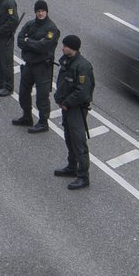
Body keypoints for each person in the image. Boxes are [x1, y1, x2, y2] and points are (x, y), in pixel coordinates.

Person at [52, 35, 95, 190]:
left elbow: (83, 92)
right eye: (63, 45)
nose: (63, 48)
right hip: (66, 107)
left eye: (66, 46)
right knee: (69, 138)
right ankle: (72, 167)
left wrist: (67, 102)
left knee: (78, 142)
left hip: (76, 109)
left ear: (74, 48)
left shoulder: (83, 66)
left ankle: (83, 177)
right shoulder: (66, 60)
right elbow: (62, 82)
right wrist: (58, 97)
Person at [12, 0, 60, 133]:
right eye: (38, 11)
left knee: (42, 97)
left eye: (42, 11)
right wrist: (32, 43)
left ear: (46, 11)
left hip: (43, 67)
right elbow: (20, 40)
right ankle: (27, 116)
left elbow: (44, 46)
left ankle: (43, 122)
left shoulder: (51, 28)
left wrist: (29, 42)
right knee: (23, 93)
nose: (40, 13)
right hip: (29, 64)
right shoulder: (30, 24)